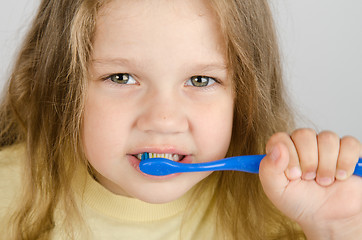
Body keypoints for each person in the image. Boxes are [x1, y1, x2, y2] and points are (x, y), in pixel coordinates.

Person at [0, 0, 361, 239]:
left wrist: (334, 228)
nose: (163, 119)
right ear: (63, 85)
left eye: (200, 81)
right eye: (121, 78)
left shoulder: (289, 211)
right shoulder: (7, 193)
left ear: (246, 99)